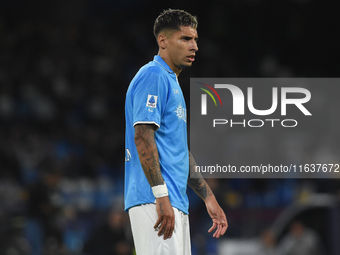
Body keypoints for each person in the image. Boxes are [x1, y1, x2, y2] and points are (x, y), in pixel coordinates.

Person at [124, 9, 228, 255]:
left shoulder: (172, 84)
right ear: (163, 41)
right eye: (185, 39)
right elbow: (142, 136)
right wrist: (161, 196)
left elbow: (179, 151)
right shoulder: (153, 75)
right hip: (156, 200)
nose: (194, 46)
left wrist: (208, 198)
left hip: (174, 201)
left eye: (195, 40)